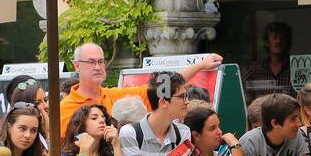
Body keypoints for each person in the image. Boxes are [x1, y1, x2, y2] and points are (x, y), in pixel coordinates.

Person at [58, 43, 222, 132]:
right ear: (77, 66)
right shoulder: (64, 108)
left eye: (101, 61)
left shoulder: (116, 95)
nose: (98, 66)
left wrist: (201, 65)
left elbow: (166, 85)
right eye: (91, 62)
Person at [240, 21, 311, 102]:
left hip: (293, 120)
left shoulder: (299, 67)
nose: (279, 41)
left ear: (288, 42)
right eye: (275, 37)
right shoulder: (256, 68)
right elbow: (238, 87)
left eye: (283, 38)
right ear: (267, 42)